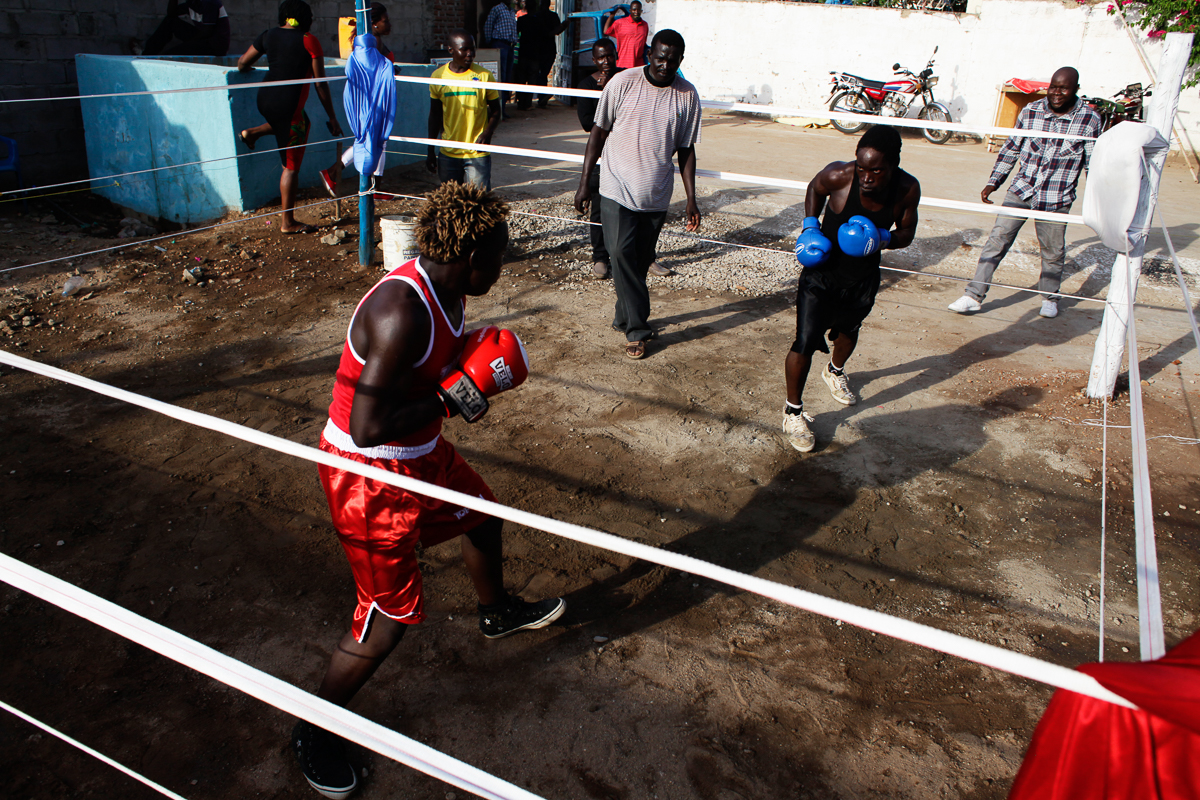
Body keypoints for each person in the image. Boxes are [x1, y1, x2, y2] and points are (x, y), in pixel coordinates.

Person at [293, 181, 566, 799]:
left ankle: (495, 611)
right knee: (386, 615)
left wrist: (453, 382)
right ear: (472, 260)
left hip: (418, 452)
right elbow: (366, 428)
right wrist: (451, 394)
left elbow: (423, 385)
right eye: (496, 260)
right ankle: (315, 726)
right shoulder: (402, 310)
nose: (501, 269)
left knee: (482, 516)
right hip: (368, 474)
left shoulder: (447, 289)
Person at [782, 125, 920, 453]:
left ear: (894, 165)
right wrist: (810, 225)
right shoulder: (839, 176)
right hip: (821, 274)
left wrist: (883, 238)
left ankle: (835, 371)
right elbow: (814, 188)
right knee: (804, 341)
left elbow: (907, 232)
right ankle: (792, 411)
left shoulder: (906, 188)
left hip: (862, 278)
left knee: (848, 332)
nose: (867, 177)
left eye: (876, 170)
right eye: (862, 168)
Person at [573, 29, 701, 360]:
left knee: (639, 262)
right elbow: (597, 134)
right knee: (619, 253)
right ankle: (638, 330)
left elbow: (686, 150)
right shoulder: (623, 83)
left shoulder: (687, 96)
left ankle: (622, 315)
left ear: (680, 61)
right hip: (616, 187)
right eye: (659, 57)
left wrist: (691, 198)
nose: (664, 65)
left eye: (672, 60)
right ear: (649, 54)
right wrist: (585, 182)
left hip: (656, 194)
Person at [947, 67, 1101, 319]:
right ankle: (973, 296)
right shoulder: (1031, 111)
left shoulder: (1089, 119)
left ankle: (1050, 298)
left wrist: (1098, 200)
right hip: (1022, 189)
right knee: (997, 241)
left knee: (1052, 251)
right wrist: (993, 182)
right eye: (1053, 87)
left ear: (1076, 90)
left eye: (1064, 88)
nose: (1057, 93)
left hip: (1055, 197)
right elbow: (1011, 149)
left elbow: (1092, 163)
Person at [237, 0, 343, 235]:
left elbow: (243, 63)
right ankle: (288, 223)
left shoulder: (267, 35)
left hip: (265, 100)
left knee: (299, 124)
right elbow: (320, 84)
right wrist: (333, 117)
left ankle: (252, 133)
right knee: (291, 166)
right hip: (288, 106)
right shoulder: (308, 40)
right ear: (304, 18)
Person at [320, 3, 396, 199]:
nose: (389, 25)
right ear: (374, 24)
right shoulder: (374, 42)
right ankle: (365, 184)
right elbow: (374, 70)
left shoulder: (369, 42)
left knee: (370, 138)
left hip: (373, 97)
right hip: (374, 99)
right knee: (375, 138)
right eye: (385, 21)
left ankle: (338, 173)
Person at [427, 30, 501, 191]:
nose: (470, 54)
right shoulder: (438, 77)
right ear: (451, 50)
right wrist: (430, 150)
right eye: (464, 49)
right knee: (450, 202)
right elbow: (435, 115)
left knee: (478, 201)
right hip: (448, 153)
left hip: (477, 152)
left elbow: (496, 110)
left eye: (472, 49)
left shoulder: (484, 76)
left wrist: (487, 133)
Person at [576, 38, 621, 278]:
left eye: (610, 56)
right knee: (599, 207)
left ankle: (635, 257)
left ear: (616, 55)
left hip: (624, 151)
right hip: (601, 153)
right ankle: (600, 257)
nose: (606, 61)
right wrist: (601, 93)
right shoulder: (586, 84)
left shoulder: (626, 78)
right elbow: (586, 123)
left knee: (629, 208)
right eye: (601, 57)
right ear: (594, 60)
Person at [516, 0, 568, 110]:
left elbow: (515, 35)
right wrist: (565, 24)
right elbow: (550, 33)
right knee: (534, 77)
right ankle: (532, 101)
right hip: (538, 52)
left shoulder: (522, 20)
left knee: (522, 78)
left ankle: (522, 102)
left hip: (525, 53)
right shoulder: (539, 20)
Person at [139, 0, 230, 57]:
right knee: (170, 22)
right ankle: (146, 54)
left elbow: (208, 32)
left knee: (169, 56)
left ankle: (159, 57)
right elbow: (171, 13)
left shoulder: (209, 2)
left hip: (214, 46)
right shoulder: (192, 3)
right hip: (204, 40)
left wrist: (187, 44)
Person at [482, 0, 518, 112]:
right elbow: (488, 26)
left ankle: (504, 108)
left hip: (510, 46)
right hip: (499, 44)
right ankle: (498, 110)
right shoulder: (497, 9)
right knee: (500, 76)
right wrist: (490, 43)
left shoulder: (512, 12)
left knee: (507, 77)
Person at [603, 0, 649, 69]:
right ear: (630, 11)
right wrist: (612, 15)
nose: (636, 12)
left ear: (641, 11)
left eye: (638, 10)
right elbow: (606, 31)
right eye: (634, 10)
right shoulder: (620, 23)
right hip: (623, 64)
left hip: (639, 66)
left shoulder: (645, 25)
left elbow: (643, 44)